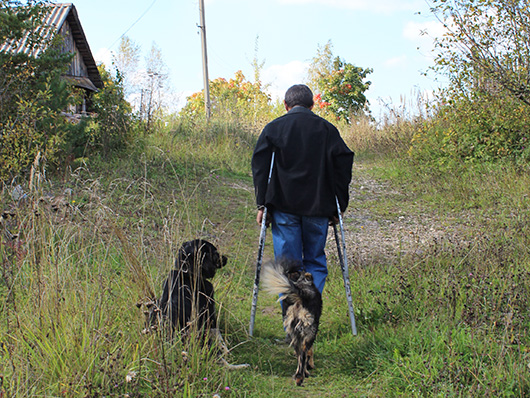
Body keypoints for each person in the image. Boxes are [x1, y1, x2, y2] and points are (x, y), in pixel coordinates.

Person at [251, 84, 354, 296]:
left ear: (286, 105)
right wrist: (339, 204)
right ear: (312, 105)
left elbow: (260, 167)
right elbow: (343, 163)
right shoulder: (327, 129)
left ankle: (293, 317)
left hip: (283, 206)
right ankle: (310, 312)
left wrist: (262, 204)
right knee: (314, 260)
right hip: (318, 206)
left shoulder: (274, 128)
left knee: (288, 265)